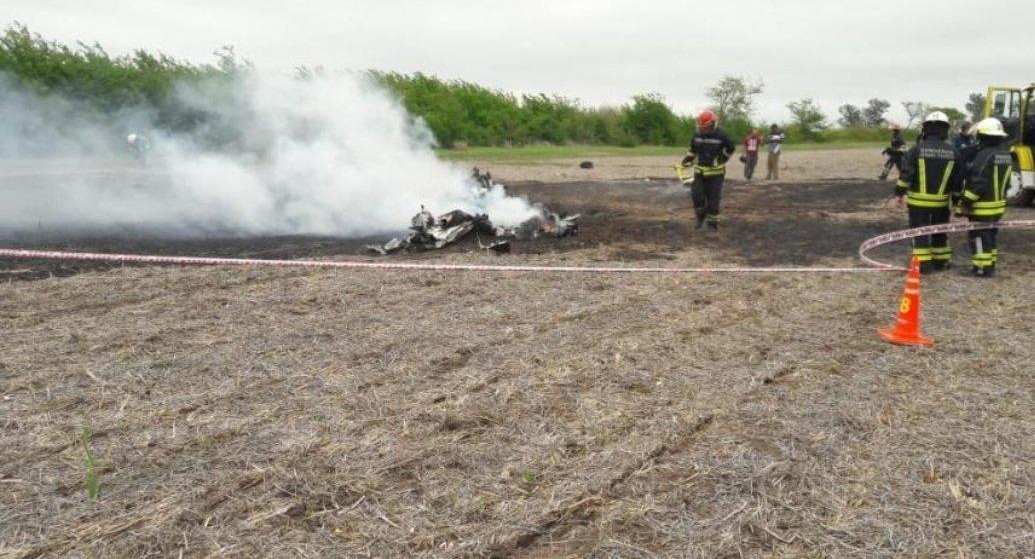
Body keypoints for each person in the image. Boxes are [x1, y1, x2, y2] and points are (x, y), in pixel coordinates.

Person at [894, 111, 960, 273]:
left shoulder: (916, 150)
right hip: (942, 203)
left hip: (918, 203)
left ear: (926, 128)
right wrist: (957, 202)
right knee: (939, 231)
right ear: (945, 130)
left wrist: (899, 193)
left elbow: (906, 175)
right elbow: (958, 181)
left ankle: (923, 265)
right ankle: (941, 261)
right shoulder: (954, 152)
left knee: (920, 232)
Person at [956, 118, 1012, 277]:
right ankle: (990, 265)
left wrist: (965, 202)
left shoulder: (984, 155)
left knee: (979, 237)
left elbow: (978, 183)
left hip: (982, 207)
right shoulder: (1005, 155)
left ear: (983, 136)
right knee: (991, 237)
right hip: (998, 205)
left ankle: (982, 268)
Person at [681, 110, 735, 231]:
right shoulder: (697, 136)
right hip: (700, 172)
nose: (703, 130)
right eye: (701, 127)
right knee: (697, 195)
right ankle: (700, 217)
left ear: (712, 125)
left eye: (705, 127)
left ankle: (712, 225)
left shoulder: (721, 136)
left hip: (716, 174)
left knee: (713, 200)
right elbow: (692, 150)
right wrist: (687, 160)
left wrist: (723, 159)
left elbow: (731, 147)